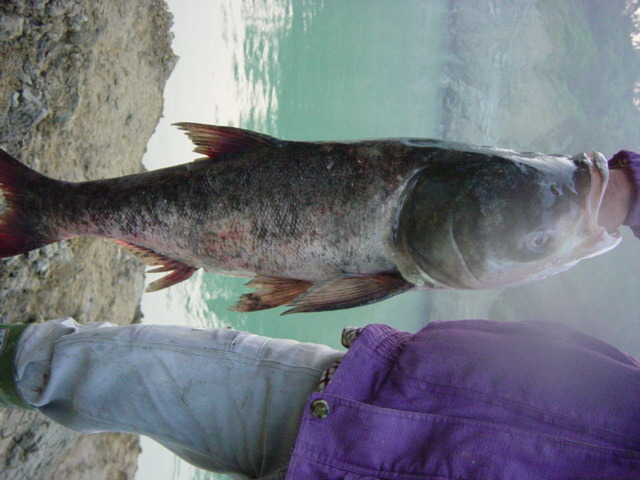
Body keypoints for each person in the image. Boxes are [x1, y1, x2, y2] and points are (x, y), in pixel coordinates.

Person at [0, 151, 638, 480]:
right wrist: (623, 185)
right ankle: (44, 216)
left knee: (76, 367)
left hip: (384, 396)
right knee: (68, 366)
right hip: (365, 398)